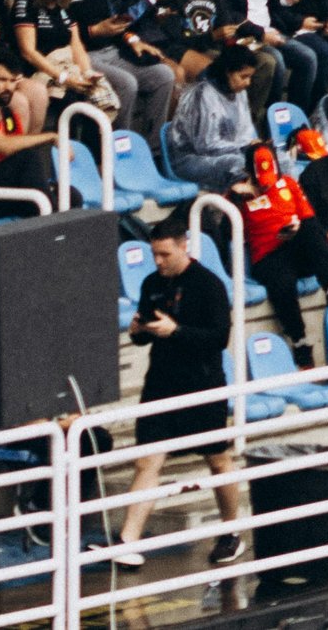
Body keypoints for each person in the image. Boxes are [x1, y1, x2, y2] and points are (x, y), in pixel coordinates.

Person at [106, 210, 244, 569]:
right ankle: (127, 540)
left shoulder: (209, 285)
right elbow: (143, 332)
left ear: (184, 246)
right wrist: (138, 331)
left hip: (201, 383)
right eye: (154, 254)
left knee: (217, 458)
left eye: (165, 254)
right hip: (161, 383)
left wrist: (177, 331)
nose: (158, 261)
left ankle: (232, 530)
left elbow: (219, 338)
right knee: (147, 460)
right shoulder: (152, 282)